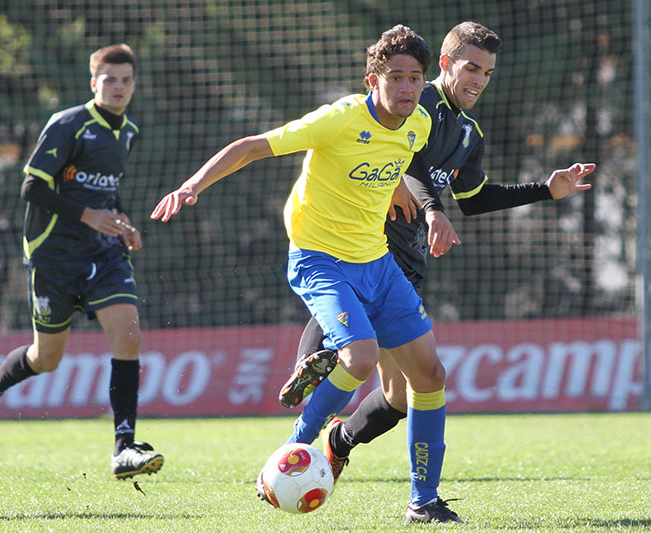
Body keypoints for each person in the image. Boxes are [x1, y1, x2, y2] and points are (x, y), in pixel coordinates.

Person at [151, 25, 464, 524]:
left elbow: (386, 166)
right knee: (360, 357)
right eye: (396, 78)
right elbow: (253, 145)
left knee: (429, 375)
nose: (407, 88)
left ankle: (423, 500)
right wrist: (193, 186)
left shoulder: (418, 125)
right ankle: (291, 451)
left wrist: (400, 191)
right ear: (372, 80)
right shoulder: (338, 119)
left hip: (378, 264)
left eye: (415, 78)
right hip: (319, 258)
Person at [277, 20, 595, 496]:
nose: (479, 80)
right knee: (356, 343)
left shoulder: (468, 133)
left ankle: (338, 441)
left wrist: (546, 190)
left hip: (408, 260)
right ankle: (307, 389)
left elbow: (475, 197)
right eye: (471, 67)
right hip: (364, 247)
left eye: (487, 72)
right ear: (444, 65)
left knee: (400, 396)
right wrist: (428, 206)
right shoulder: (418, 100)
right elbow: (405, 155)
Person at [0, 44, 164, 480]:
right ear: (93, 83)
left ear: (133, 84)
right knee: (46, 358)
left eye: (126, 80)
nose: (118, 87)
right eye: (110, 80)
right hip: (53, 255)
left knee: (128, 335)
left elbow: (106, 190)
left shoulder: (127, 131)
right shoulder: (69, 124)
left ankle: (124, 447)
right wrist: (88, 215)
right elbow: (31, 188)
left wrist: (121, 220)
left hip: (102, 252)